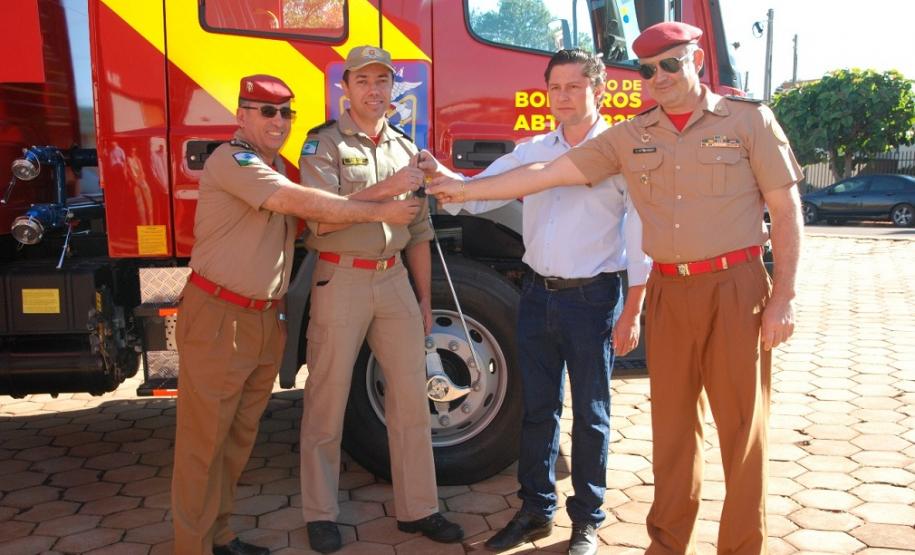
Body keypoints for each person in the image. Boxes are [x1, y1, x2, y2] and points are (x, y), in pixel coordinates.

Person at [429, 22, 804, 555]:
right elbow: (542, 176)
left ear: (695, 58)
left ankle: (741, 546)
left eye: (671, 64)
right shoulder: (630, 136)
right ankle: (667, 543)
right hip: (672, 292)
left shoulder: (748, 121)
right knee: (672, 434)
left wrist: (783, 296)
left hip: (734, 287)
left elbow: (787, 210)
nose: (660, 77)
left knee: (742, 432)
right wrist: (457, 189)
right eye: (649, 69)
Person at [171, 74, 421, 555]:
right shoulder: (235, 160)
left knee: (236, 440)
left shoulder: (272, 163)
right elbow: (296, 203)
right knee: (203, 446)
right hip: (221, 316)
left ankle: (218, 536)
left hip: (261, 318)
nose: (279, 121)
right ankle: (192, 546)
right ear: (241, 116)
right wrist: (380, 208)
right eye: (266, 111)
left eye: (286, 113)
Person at [428, 49, 651, 555]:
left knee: (591, 414)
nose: (563, 97)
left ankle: (587, 521)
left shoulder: (619, 151)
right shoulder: (530, 151)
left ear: (598, 89)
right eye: (555, 88)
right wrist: (441, 179)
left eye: (574, 86)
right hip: (535, 294)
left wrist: (633, 309)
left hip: (593, 299)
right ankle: (534, 511)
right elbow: (479, 193)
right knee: (537, 411)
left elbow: (639, 236)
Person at [296, 45, 463, 554]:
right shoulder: (321, 144)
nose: (374, 90)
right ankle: (320, 514)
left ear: (394, 90)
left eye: (383, 82)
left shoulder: (402, 147)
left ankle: (419, 509)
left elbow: (417, 231)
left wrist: (424, 299)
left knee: (412, 400)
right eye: (364, 81)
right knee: (327, 401)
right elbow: (318, 214)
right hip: (340, 279)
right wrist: (384, 196)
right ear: (344, 88)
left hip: (393, 283)